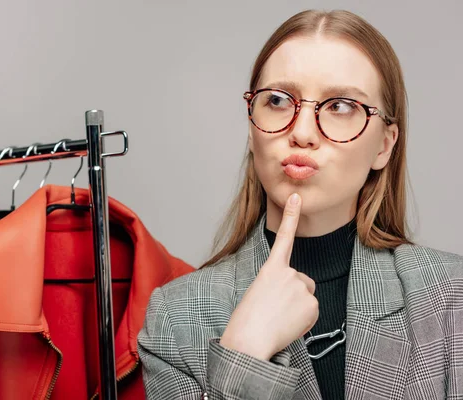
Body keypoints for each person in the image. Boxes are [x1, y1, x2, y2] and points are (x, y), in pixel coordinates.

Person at [137, 9, 463, 400]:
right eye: (277, 100)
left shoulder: (450, 296)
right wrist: (244, 356)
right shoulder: (177, 317)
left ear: (384, 145)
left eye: (341, 106)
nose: (303, 132)